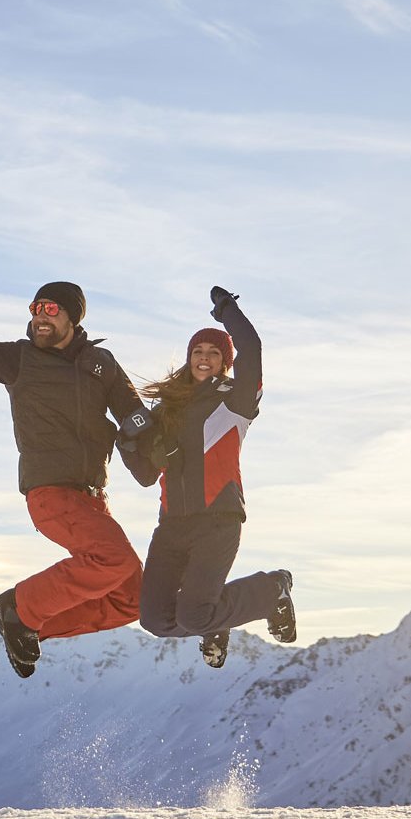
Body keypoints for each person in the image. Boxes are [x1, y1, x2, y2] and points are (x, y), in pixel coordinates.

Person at [0, 239, 157, 678]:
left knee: (135, 597)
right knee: (116, 562)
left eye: (51, 311)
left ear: (73, 317)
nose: (39, 318)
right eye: (35, 310)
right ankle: (18, 608)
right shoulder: (19, 360)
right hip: (51, 493)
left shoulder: (101, 363)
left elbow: (134, 416)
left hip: (93, 498)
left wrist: (157, 453)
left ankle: (32, 626)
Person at [120, 286, 294, 669]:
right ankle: (218, 621)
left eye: (214, 353)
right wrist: (128, 446)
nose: (204, 358)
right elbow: (147, 476)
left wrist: (227, 311)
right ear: (188, 358)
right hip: (171, 527)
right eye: (198, 351)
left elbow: (253, 349)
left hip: (217, 520)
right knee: (155, 620)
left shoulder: (236, 399)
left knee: (194, 615)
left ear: (224, 362)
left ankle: (272, 589)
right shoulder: (167, 408)